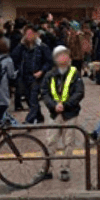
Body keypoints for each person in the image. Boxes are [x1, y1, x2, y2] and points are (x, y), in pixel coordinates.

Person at [41, 45, 85, 182]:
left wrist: (65, 105)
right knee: (50, 141)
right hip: (55, 113)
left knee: (68, 142)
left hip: (70, 113)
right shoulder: (50, 75)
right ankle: (46, 168)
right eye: (59, 55)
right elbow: (45, 92)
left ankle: (65, 169)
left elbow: (79, 92)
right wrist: (53, 105)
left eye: (65, 55)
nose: (63, 57)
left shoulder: (74, 73)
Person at [13, 25, 52, 124]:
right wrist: (20, 44)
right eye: (26, 34)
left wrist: (42, 71)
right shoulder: (23, 47)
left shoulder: (42, 47)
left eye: (30, 34)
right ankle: (39, 117)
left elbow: (49, 62)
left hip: (37, 77)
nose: (28, 36)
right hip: (25, 76)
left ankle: (29, 120)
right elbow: (14, 56)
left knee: (33, 98)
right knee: (27, 98)